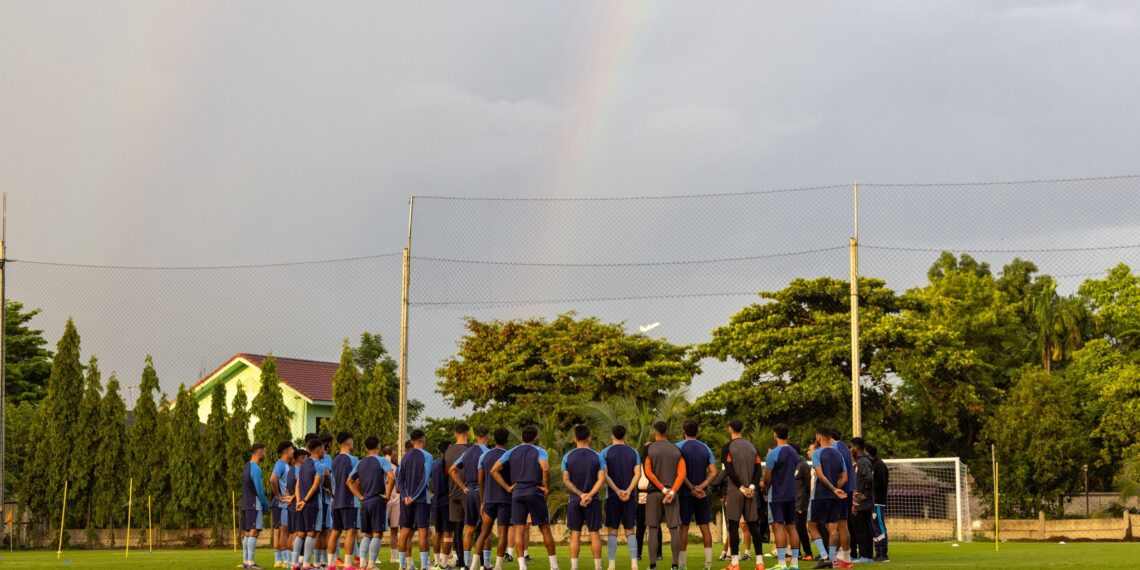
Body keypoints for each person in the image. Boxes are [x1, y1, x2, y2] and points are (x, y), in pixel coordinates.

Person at [490, 424, 559, 570]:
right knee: (545, 528)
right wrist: (546, 486)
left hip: (517, 492)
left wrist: (508, 487)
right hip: (534, 491)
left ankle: (522, 566)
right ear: (535, 438)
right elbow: (545, 468)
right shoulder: (540, 450)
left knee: (518, 529)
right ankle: (554, 566)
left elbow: (494, 470)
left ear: (521, 437)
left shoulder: (511, 452)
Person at [722, 420, 766, 570]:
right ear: (743, 429)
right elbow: (758, 469)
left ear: (730, 429)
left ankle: (735, 564)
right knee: (754, 526)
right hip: (751, 492)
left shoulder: (727, 447)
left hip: (735, 491)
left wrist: (742, 488)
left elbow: (729, 470)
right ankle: (760, 563)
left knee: (733, 527)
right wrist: (752, 487)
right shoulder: (752, 446)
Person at [348, 435, 397, 570]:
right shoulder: (382, 460)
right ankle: (371, 565)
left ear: (365, 448)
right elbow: (392, 477)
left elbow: (349, 482)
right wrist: (387, 494)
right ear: (379, 446)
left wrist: (360, 496)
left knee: (367, 534)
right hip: (377, 500)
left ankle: (363, 564)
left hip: (365, 502)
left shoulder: (360, 462)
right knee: (377, 533)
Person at [643, 421, 686, 570]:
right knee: (674, 529)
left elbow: (648, 472)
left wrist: (662, 490)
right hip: (672, 494)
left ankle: (652, 565)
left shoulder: (649, 449)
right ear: (667, 431)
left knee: (653, 529)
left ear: (655, 431)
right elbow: (682, 474)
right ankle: (674, 565)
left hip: (654, 493)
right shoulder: (676, 449)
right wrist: (672, 491)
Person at [563, 425, 606, 570]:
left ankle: (574, 567)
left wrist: (581, 495)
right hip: (593, 501)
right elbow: (601, 479)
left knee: (575, 534)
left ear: (574, 438)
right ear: (589, 438)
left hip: (575, 500)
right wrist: (589, 495)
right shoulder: (597, 456)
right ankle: (598, 567)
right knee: (595, 533)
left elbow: (566, 480)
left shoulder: (567, 456)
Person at [676, 420, 717, 570]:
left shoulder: (678, 447)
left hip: (684, 494)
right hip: (702, 494)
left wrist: (692, 488)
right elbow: (713, 472)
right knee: (705, 526)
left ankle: (682, 565)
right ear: (697, 431)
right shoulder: (705, 447)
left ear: (683, 431)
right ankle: (708, 564)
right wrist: (701, 487)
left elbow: (680, 472)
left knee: (684, 527)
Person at [601, 425, 642, 570]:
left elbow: (604, 475)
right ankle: (634, 564)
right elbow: (638, 473)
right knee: (630, 530)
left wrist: (617, 491)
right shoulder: (633, 452)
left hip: (612, 496)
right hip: (629, 497)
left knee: (612, 530)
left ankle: (611, 565)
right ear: (625, 436)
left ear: (612, 435)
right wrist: (628, 491)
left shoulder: (605, 452)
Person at [450, 426, 491, 570]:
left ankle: (466, 565)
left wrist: (463, 487)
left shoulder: (467, 453)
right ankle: (485, 564)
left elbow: (452, 470)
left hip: (469, 493)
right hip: (482, 492)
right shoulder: (487, 452)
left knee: (469, 529)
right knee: (486, 529)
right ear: (487, 436)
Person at [807, 428, 848, 570]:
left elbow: (820, 475)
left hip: (820, 495)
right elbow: (845, 477)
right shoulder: (839, 454)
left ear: (818, 437)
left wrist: (832, 489)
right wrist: (836, 489)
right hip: (834, 497)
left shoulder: (817, 453)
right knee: (833, 528)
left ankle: (825, 557)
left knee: (811, 526)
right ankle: (831, 560)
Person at [762, 424, 801, 570]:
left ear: (774, 435)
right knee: (792, 527)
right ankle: (795, 563)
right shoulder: (794, 452)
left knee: (778, 527)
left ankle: (782, 563)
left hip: (777, 494)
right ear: (788, 434)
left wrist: (764, 485)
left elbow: (767, 477)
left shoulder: (773, 453)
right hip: (791, 494)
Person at [476, 428, 513, 570]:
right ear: (507, 440)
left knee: (484, 532)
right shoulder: (509, 455)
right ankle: (498, 566)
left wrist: (482, 501)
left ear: (493, 439)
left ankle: (474, 565)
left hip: (489, 499)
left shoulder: (484, 456)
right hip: (505, 499)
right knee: (503, 533)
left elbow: (480, 481)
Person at [399, 429, 435, 570]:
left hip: (406, 500)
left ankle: (402, 566)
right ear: (423, 439)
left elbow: (399, 479)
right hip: (420, 500)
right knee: (423, 532)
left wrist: (405, 496)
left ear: (412, 441)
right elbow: (425, 478)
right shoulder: (427, 456)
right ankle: (425, 566)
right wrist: (413, 496)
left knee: (405, 532)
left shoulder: (405, 457)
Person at [293, 438, 328, 569]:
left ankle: (295, 563)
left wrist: (298, 501)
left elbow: (297, 484)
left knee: (300, 533)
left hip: (301, 503)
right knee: (312, 533)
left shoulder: (303, 464)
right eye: (323, 449)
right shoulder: (319, 465)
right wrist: (305, 500)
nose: (324, 451)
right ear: (318, 450)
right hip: (312, 504)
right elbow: (315, 485)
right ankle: (306, 564)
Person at [329, 432, 360, 567]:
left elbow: (332, 481)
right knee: (351, 531)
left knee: (335, 531)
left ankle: (331, 564)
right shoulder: (353, 460)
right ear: (348, 441)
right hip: (349, 500)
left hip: (336, 501)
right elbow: (356, 480)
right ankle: (348, 565)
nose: (353, 443)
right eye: (352, 440)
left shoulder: (334, 460)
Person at [443, 424, 472, 568]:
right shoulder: (470, 450)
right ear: (467, 433)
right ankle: (472, 560)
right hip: (468, 492)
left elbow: (446, 472)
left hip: (452, 492)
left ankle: (460, 560)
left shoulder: (447, 451)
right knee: (474, 527)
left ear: (455, 433)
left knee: (457, 528)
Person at [241, 443, 271, 570]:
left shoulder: (246, 466)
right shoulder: (256, 469)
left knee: (248, 533)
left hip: (246, 503)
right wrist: (265, 505)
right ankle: (251, 562)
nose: (264, 454)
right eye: (264, 451)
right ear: (258, 452)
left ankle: (246, 562)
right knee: (254, 532)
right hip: (254, 504)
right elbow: (259, 490)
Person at [828, 430, 854, 566]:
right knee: (841, 525)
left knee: (840, 526)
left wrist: (833, 489)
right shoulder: (843, 446)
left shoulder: (835, 449)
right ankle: (841, 557)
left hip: (840, 491)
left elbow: (839, 474)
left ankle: (845, 559)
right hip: (847, 490)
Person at [848, 439, 874, 565]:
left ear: (856, 447)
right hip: (859, 504)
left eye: (851, 446)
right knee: (860, 529)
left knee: (864, 529)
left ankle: (866, 555)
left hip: (864, 504)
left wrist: (865, 494)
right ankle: (863, 554)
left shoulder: (863, 461)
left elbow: (869, 478)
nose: (850, 448)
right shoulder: (859, 461)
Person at [270, 441, 295, 568]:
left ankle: (281, 560)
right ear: (286, 451)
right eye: (291, 449)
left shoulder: (286, 465)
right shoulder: (280, 464)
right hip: (281, 504)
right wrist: (278, 496)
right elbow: (272, 479)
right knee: (284, 531)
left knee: (284, 531)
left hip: (286, 504)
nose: (293, 451)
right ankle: (285, 561)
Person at [864, 444, 888, 563]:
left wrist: (869, 485)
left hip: (878, 502)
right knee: (874, 529)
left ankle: (884, 554)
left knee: (879, 526)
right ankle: (878, 552)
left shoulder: (879, 465)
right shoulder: (871, 465)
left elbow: (882, 484)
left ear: (868, 453)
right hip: (872, 502)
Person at [431, 441, 453, 569]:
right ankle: (444, 564)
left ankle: (436, 562)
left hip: (436, 501)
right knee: (448, 533)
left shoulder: (433, 464)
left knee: (438, 533)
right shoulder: (449, 464)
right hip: (447, 501)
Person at [286, 448, 308, 568]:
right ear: (300, 457)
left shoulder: (291, 469)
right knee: (297, 533)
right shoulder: (298, 469)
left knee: (292, 533)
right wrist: (295, 496)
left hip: (291, 504)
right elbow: (297, 486)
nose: (306, 459)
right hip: (296, 504)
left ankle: (291, 562)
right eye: (305, 457)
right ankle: (293, 562)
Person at [792, 445, 813, 562]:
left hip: (801, 502)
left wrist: (806, 501)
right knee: (793, 528)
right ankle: (797, 554)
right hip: (792, 502)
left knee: (800, 528)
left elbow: (808, 484)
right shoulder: (791, 465)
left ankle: (808, 553)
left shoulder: (804, 465)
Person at [386, 444, 403, 563]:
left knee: (394, 529)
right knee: (378, 529)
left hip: (396, 500)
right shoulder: (382, 464)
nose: (395, 452)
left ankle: (394, 556)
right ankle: (374, 557)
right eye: (393, 450)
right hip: (385, 500)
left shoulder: (397, 466)